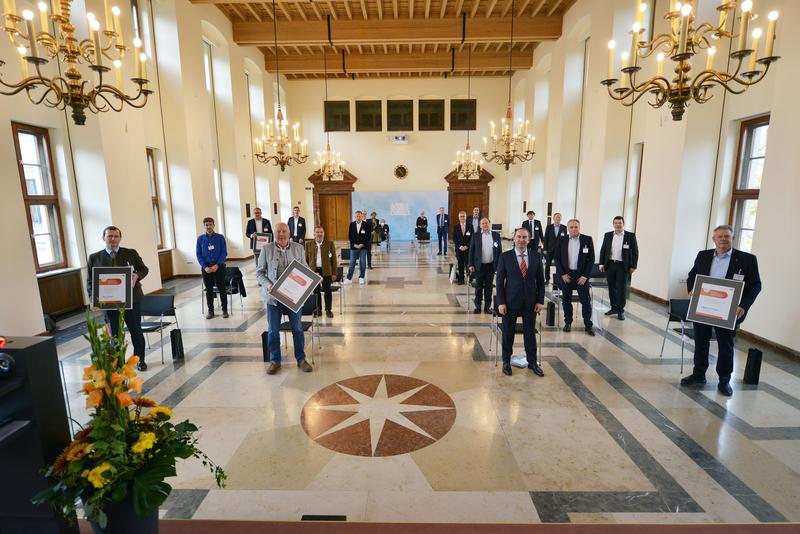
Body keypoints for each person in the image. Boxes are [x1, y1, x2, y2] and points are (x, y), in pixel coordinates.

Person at [681, 225, 761, 397]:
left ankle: (724, 380)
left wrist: (743, 306)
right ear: (713, 239)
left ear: (733, 238)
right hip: (703, 307)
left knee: (726, 345)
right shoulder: (703, 255)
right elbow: (692, 275)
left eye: (727, 236)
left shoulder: (747, 259)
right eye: (720, 237)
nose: (723, 239)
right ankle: (698, 374)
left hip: (729, 311)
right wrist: (691, 289)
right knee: (701, 341)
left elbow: (755, 285)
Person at [86, 226, 149, 372]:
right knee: (114, 334)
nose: (113, 239)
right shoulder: (94, 258)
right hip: (109, 303)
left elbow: (144, 269)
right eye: (110, 236)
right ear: (104, 238)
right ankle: (118, 362)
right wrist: (93, 298)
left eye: (116, 236)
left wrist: (137, 275)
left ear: (120, 238)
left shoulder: (131, 253)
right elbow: (90, 281)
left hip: (132, 300)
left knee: (136, 331)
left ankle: (140, 360)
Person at [256, 222, 313, 375]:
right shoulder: (266, 249)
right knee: (273, 331)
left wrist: (309, 278)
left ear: (289, 233)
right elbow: (259, 273)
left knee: (297, 329)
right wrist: (268, 285)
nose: (281, 234)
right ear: (274, 234)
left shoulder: (298, 248)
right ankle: (275, 360)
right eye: (278, 232)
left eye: (284, 231)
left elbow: (305, 269)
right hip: (273, 299)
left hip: (293, 298)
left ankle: (301, 359)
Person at [496, 227, 545, 377]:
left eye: (524, 237)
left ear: (529, 240)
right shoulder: (505, 257)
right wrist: (501, 302)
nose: (521, 240)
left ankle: (532, 362)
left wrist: (540, 300)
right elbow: (499, 282)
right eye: (519, 237)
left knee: (530, 333)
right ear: (514, 239)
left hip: (530, 302)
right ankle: (506, 361)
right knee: (508, 333)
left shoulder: (536, 256)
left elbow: (541, 282)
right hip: (510, 302)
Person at [554, 218, 595, 335]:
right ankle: (568, 322)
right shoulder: (562, 240)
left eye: (576, 227)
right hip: (567, 275)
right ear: (568, 228)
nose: (573, 229)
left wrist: (585, 276)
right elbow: (557, 258)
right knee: (566, 300)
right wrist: (562, 274)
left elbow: (591, 259)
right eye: (571, 227)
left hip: (581, 276)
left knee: (586, 301)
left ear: (579, 227)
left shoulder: (587, 239)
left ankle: (588, 325)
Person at [598, 216, 639, 320]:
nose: (617, 225)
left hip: (623, 266)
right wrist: (601, 263)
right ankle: (614, 307)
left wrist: (633, 266)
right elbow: (603, 250)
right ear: (613, 224)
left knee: (621, 288)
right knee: (611, 287)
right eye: (615, 223)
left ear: (623, 224)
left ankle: (621, 310)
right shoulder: (608, 235)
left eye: (619, 223)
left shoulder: (630, 236)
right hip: (610, 264)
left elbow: (635, 252)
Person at [196, 217, 229, 320]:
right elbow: (198, 254)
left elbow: (224, 252)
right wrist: (205, 267)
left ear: (214, 225)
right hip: (206, 268)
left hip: (219, 267)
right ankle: (211, 310)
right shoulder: (200, 239)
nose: (209, 226)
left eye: (210, 224)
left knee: (222, 289)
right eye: (206, 225)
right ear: (204, 226)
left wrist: (217, 265)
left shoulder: (220, 237)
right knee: (209, 290)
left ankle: (225, 310)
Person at [468, 217, 502, 313]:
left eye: (486, 223)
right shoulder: (476, 235)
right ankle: (477, 307)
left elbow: (499, 251)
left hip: (491, 266)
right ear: (480, 225)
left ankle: (487, 307)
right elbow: (471, 251)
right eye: (482, 223)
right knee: (478, 288)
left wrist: (499, 265)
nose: (485, 225)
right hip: (479, 266)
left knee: (489, 288)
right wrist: (471, 264)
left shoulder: (496, 235)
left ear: (489, 224)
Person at [306, 226, 337, 318]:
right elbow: (306, 260)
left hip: (326, 271)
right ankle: (317, 309)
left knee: (327, 291)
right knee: (316, 292)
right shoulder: (308, 244)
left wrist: (334, 273)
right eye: (317, 232)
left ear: (324, 233)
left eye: (321, 232)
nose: (319, 234)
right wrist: (307, 273)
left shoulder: (329, 244)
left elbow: (334, 260)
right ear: (314, 234)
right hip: (314, 271)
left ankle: (328, 309)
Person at [344, 210, 369, 285]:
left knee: (363, 263)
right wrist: (354, 244)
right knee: (352, 263)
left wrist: (362, 244)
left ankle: (361, 277)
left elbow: (368, 236)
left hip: (363, 247)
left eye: (359, 216)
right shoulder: (352, 224)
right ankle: (349, 278)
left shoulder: (366, 225)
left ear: (362, 216)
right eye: (357, 216)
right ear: (355, 217)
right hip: (354, 247)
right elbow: (350, 236)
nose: (358, 217)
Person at [543, 212, 567, 285]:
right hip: (550, 249)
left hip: (559, 250)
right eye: (556, 217)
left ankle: (558, 280)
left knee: (559, 266)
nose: (558, 219)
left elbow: (565, 239)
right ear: (553, 218)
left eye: (559, 217)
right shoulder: (549, 227)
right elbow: (546, 238)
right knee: (547, 265)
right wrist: (544, 249)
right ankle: (547, 279)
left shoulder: (564, 227)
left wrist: (564, 250)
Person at [452, 211, 473, 285]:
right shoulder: (456, 227)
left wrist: (467, 246)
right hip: (459, 249)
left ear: (466, 217)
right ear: (459, 218)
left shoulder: (470, 226)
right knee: (460, 264)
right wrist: (460, 246)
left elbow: (472, 238)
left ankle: (469, 279)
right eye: (461, 216)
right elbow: (454, 238)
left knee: (468, 264)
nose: (462, 218)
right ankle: (461, 279)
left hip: (468, 249)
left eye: (463, 216)